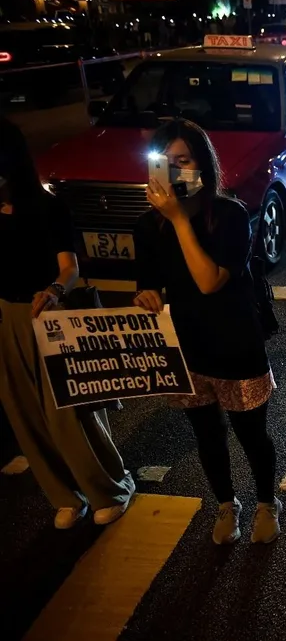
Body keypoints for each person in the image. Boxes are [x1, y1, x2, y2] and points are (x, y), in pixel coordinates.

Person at [133, 119, 280, 545]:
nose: (175, 171)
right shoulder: (147, 226)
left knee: (251, 434)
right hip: (188, 348)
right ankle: (225, 505)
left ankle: (267, 502)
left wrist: (179, 220)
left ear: (203, 164)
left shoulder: (230, 215)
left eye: (184, 160)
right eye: (165, 162)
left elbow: (209, 281)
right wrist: (146, 295)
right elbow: (148, 283)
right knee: (207, 435)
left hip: (235, 345)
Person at [0, 116, 134, 528]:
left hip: (48, 313)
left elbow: (69, 267)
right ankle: (64, 496)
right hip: (6, 316)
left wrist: (55, 291)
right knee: (24, 412)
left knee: (70, 409)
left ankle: (109, 487)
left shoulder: (47, 206)